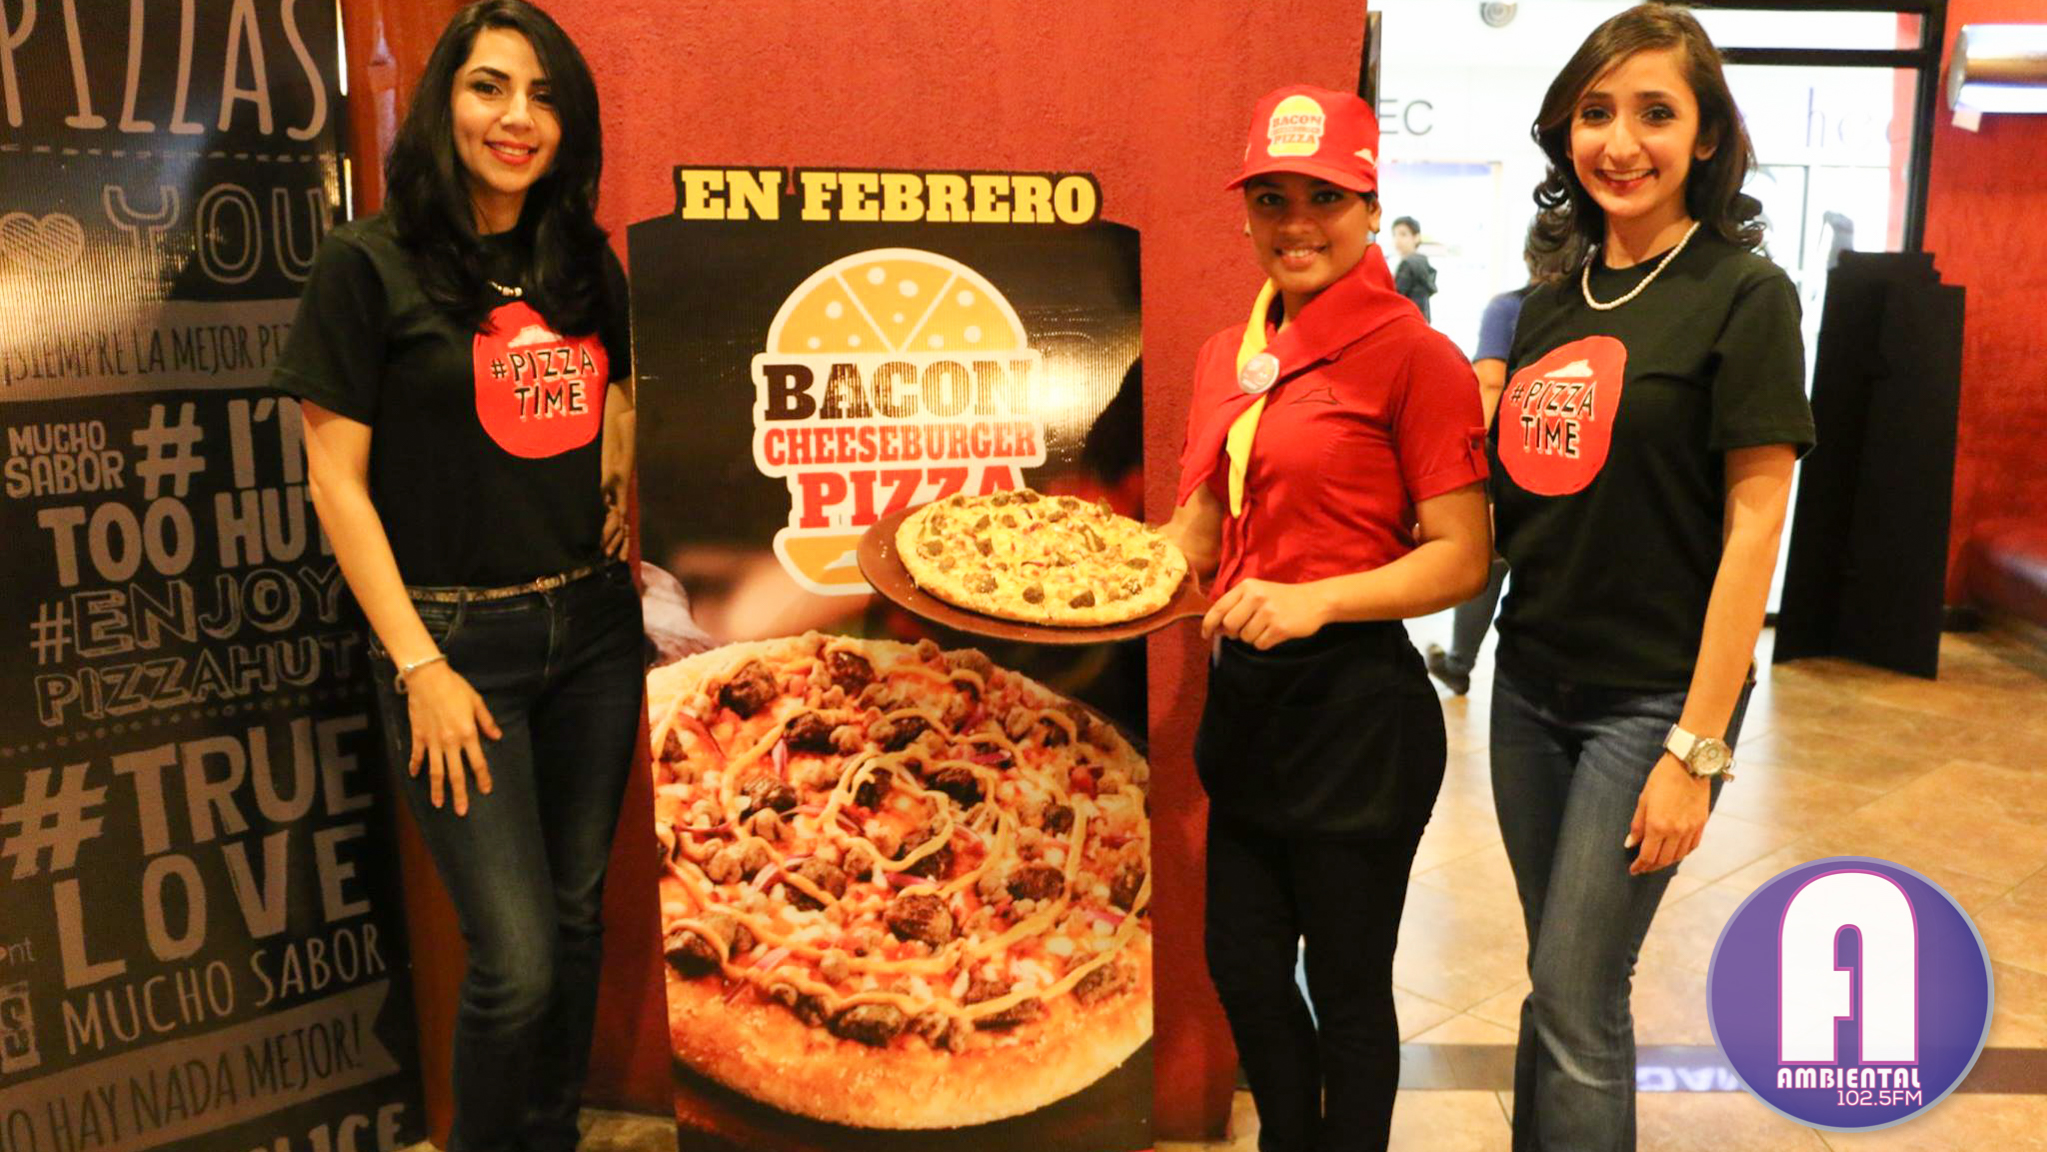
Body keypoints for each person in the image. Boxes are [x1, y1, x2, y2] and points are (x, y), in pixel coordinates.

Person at [273, 3, 641, 1149]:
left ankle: (551, 1135)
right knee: (516, 958)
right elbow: (337, 484)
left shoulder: (582, 261)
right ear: (445, 103)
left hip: (592, 633)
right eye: (490, 87)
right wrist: (419, 665)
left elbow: (617, 390)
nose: (516, 117)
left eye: (543, 97)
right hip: (453, 647)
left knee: (575, 923)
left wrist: (616, 460)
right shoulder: (367, 264)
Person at [1487, 6, 1815, 1150]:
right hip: (1527, 691)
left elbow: (1753, 531)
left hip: (1650, 706)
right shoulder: (1544, 307)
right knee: (1552, 973)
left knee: (1580, 993)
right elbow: (1521, 508)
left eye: (1655, 113)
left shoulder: (1745, 294)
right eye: (1595, 112)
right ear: (1564, 133)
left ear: (1706, 137)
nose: (1620, 142)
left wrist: (1696, 749)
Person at [1165, 85, 1492, 1151]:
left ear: (1368, 204)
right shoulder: (1228, 354)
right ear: (1244, 212)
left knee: (1348, 990)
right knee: (1243, 967)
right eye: (1270, 198)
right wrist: (1066, 575)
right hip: (1248, 708)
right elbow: (1198, 531)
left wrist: (1315, 599)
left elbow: (1461, 555)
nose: (1295, 223)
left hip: (1358, 716)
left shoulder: (1417, 357)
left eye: (1323, 198)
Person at [1425, 225, 1549, 695]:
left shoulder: (1510, 307)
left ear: (1529, 256)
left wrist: (1474, 458)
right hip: (1570, 451)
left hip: (1512, 452)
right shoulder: (1594, 307)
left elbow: (1491, 381)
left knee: (1491, 552)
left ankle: (1460, 662)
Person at [1390, 215, 1438, 321]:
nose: (1397, 240)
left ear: (1416, 237)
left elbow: (1394, 300)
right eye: (1394, 235)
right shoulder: (1422, 262)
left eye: (1403, 234)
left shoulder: (1407, 264)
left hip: (1407, 323)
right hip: (1421, 322)